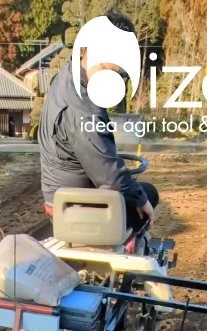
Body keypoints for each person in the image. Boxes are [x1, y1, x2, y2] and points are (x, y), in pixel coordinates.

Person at [38, 9, 159, 233]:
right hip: (75, 208)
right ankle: (127, 249)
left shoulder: (67, 75)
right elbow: (108, 172)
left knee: (131, 188)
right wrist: (142, 200)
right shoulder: (84, 110)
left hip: (60, 194)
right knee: (147, 193)